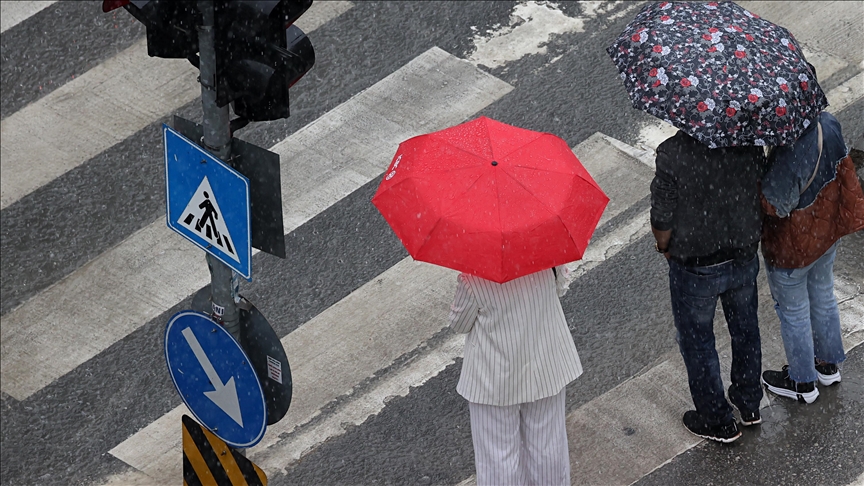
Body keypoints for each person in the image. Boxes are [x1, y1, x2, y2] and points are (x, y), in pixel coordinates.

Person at [650, 130, 767, 443]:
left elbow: (662, 218)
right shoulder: (747, 140)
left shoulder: (672, 153)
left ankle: (716, 419)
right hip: (742, 253)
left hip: (696, 263)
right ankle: (749, 403)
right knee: (745, 330)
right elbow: (760, 184)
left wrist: (664, 248)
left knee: (698, 342)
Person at [759, 108, 864, 403]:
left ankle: (802, 382)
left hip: (794, 247)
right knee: (823, 295)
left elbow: (776, 204)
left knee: (794, 312)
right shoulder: (827, 123)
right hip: (826, 232)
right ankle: (827, 366)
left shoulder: (790, 146)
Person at [449, 266, 580, 486]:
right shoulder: (547, 259)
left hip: (493, 377)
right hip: (545, 363)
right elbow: (561, 287)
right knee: (547, 444)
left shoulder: (473, 278)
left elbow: (459, 324)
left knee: (497, 455)